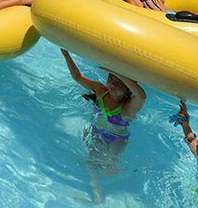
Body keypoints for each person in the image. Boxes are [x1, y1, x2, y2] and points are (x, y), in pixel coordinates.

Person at [62, 49, 147, 203]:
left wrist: (121, 74)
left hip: (117, 139)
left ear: (129, 89)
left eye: (119, 83)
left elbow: (141, 96)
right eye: (111, 78)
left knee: (110, 169)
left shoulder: (127, 108)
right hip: (97, 132)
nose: (112, 84)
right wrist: (66, 54)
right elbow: (78, 77)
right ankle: (97, 196)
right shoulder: (101, 91)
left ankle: (128, 182)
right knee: (90, 164)